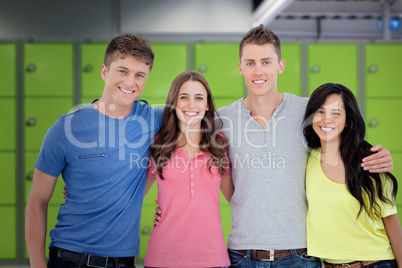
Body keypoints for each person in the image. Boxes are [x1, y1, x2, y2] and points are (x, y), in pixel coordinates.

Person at [213, 25, 394, 267]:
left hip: (300, 255)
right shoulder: (222, 119)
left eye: (266, 62)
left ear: (280, 66)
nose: (258, 71)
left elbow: (344, 135)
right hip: (242, 254)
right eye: (250, 63)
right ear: (240, 68)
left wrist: (379, 155)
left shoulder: (308, 111)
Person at [25, 33, 163, 268]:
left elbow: (202, 118)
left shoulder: (154, 119)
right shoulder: (66, 129)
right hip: (70, 259)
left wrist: (175, 206)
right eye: (122, 71)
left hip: (124, 262)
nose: (130, 82)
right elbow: (37, 201)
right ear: (104, 72)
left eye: (140, 75)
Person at [303, 83, 402, 268]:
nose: (326, 119)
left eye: (336, 113)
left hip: (375, 262)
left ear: (348, 119)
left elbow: (391, 222)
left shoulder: (370, 163)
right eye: (320, 112)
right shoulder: (306, 160)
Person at [143, 71, 233, 268]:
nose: (191, 105)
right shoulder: (159, 145)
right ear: (174, 102)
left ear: (207, 104)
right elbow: (133, 195)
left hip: (213, 258)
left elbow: (236, 198)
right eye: (184, 97)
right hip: (162, 257)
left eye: (199, 98)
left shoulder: (219, 146)